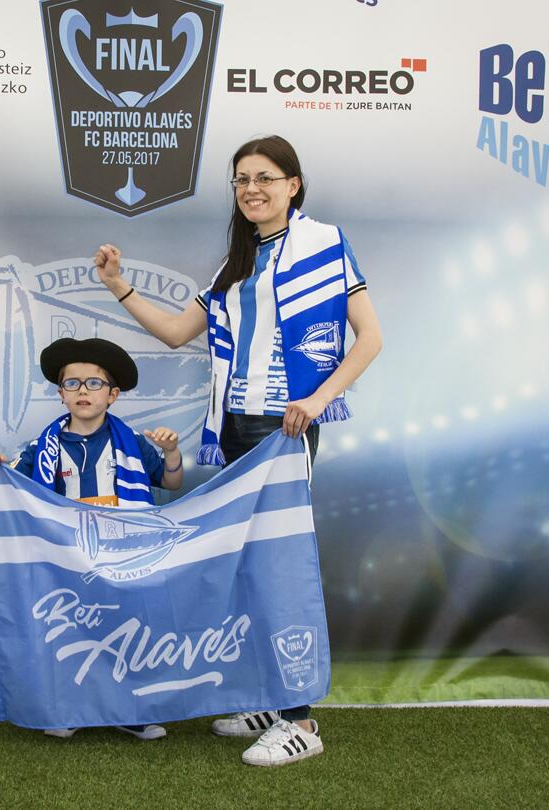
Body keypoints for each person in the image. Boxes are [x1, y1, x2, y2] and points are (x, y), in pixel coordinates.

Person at [92, 135, 383, 766]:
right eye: (241, 180)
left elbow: (369, 338)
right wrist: (118, 284)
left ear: (293, 185)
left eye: (266, 178)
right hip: (230, 429)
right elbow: (175, 333)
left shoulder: (324, 243)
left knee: (281, 567)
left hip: (284, 430)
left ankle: (302, 722)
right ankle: (272, 700)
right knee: (247, 569)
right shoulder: (235, 265)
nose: (252, 189)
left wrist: (316, 399)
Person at [0, 336, 184, 739]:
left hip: (123, 553)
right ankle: (67, 710)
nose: (83, 391)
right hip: (68, 557)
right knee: (71, 630)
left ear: (112, 394)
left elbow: (171, 484)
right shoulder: (42, 447)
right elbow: (1, 488)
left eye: (93, 384)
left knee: (127, 628)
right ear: (61, 394)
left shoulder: (133, 444)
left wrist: (172, 453)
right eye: (72, 384)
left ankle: (131, 710)